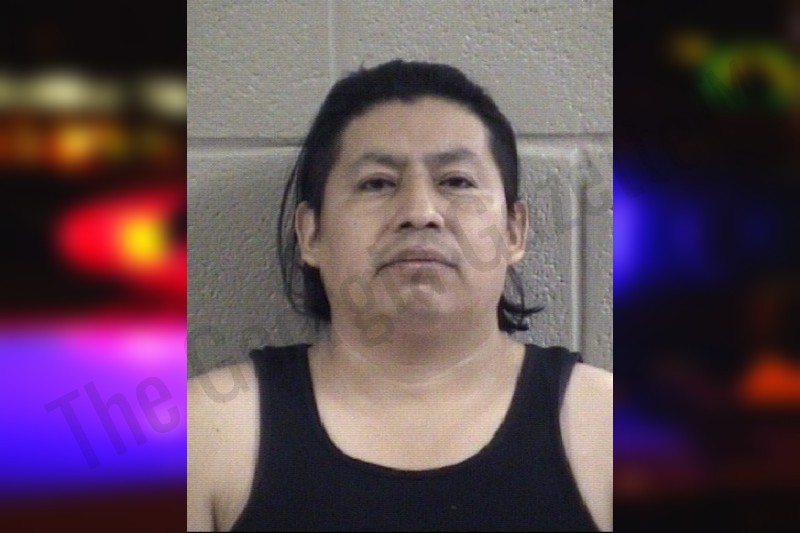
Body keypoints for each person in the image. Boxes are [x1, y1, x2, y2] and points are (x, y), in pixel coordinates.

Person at [187, 60, 612, 532]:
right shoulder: (205, 434)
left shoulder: (609, 430)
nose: (420, 211)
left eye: (456, 181)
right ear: (311, 234)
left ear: (514, 231)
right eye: (377, 183)